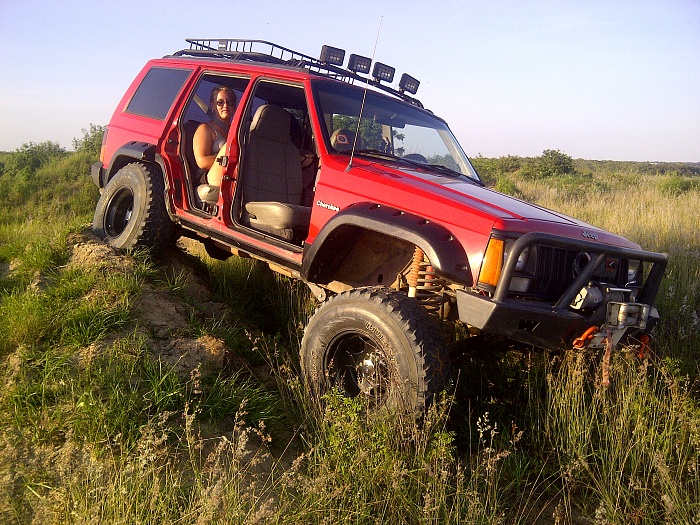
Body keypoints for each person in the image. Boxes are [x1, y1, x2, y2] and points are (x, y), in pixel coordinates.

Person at [193, 86, 237, 187]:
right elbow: (202, 161)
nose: (225, 105)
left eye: (230, 102)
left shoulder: (237, 132)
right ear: (212, 105)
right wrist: (231, 161)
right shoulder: (205, 128)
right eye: (220, 102)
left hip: (231, 176)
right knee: (229, 146)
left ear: (235, 107)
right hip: (208, 177)